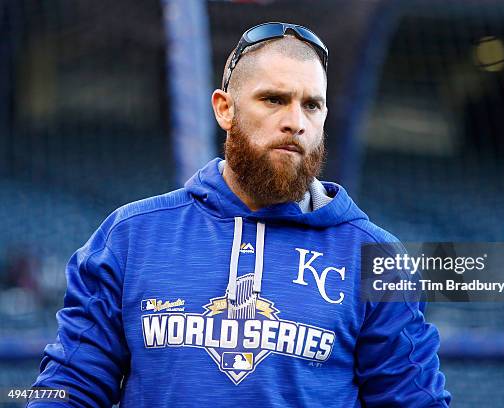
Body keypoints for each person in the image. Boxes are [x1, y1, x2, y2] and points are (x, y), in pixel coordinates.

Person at [29, 22, 451, 407]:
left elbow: (415, 401)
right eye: (274, 99)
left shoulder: (375, 256)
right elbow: (69, 388)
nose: (295, 122)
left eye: (312, 106)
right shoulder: (130, 236)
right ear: (224, 109)